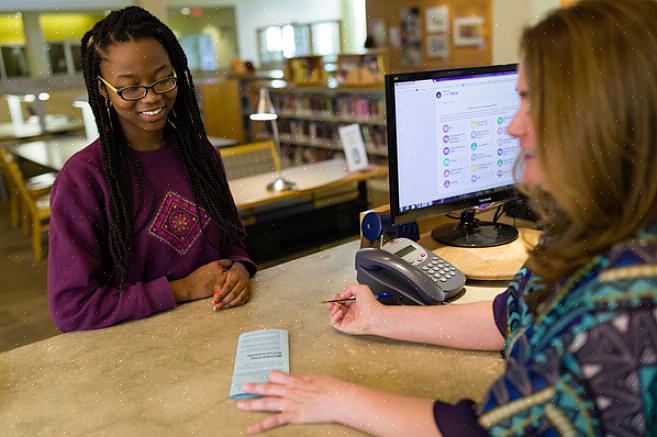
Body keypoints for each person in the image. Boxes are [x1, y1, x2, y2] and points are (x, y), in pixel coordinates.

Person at [236, 1, 657, 435]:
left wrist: (337, 398)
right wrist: (379, 319)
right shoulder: (590, 230)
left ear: (599, 118)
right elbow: (510, 315)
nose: (513, 127)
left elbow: (489, 431)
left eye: (533, 103)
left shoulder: (623, 306)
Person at [47, 7, 256, 332]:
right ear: (103, 90)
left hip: (224, 330)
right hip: (139, 352)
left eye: (163, 79)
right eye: (130, 88)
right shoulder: (83, 178)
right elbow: (72, 308)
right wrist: (183, 289)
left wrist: (239, 271)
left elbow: (234, 244)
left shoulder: (202, 155)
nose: (151, 97)